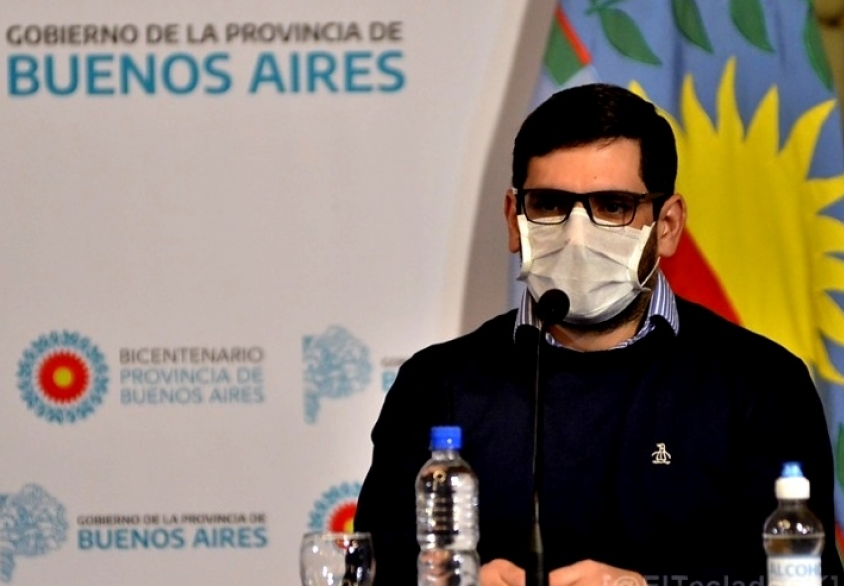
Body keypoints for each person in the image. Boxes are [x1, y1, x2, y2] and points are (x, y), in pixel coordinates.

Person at [353, 83, 843, 586]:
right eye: (549, 204)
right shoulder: (438, 385)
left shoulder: (762, 385)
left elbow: (808, 578)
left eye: (612, 206)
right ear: (514, 221)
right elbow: (373, 572)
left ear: (667, 225)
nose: (577, 234)